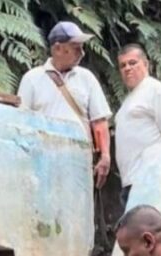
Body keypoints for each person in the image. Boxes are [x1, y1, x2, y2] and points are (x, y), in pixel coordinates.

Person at [17, 21, 112, 188]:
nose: (82, 53)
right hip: (43, 159)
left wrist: (105, 155)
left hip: (79, 159)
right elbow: (21, 123)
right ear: (58, 48)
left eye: (82, 47)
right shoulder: (32, 79)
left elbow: (99, 121)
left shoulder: (86, 78)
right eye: (76, 47)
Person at [114, 44, 161, 204]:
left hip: (151, 179)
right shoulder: (130, 99)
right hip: (131, 181)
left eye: (132, 63)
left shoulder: (156, 91)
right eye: (123, 65)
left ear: (146, 64)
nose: (127, 68)